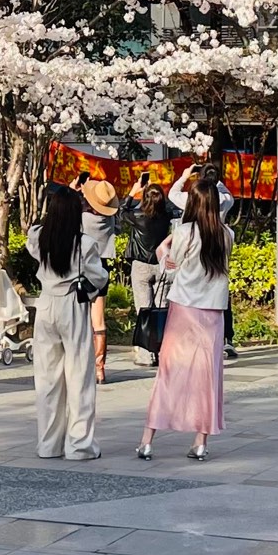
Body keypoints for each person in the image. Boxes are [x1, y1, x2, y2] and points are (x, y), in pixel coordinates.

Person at [139, 165, 229, 463]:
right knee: (207, 376)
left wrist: (164, 250)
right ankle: (201, 442)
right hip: (213, 314)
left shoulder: (184, 232)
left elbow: (167, 265)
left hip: (183, 310)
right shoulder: (225, 234)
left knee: (169, 372)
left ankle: (148, 441)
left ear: (191, 203)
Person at [27, 180, 101, 460]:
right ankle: (79, 445)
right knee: (79, 374)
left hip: (45, 304)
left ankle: (48, 444)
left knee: (47, 378)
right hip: (72, 305)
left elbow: (31, 236)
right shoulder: (84, 243)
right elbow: (97, 277)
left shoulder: (39, 238)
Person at [77, 177, 123, 380]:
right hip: (102, 268)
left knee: (79, 317)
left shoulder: (82, 218)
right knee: (99, 320)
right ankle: (100, 368)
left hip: (82, 268)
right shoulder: (110, 220)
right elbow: (119, 227)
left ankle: (81, 363)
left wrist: (75, 191)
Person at [128, 183, 173, 365]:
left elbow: (122, 209)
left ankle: (147, 354)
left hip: (141, 266)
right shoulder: (167, 216)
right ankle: (163, 351)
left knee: (144, 310)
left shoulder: (138, 216)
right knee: (162, 310)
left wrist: (134, 192)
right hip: (162, 265)